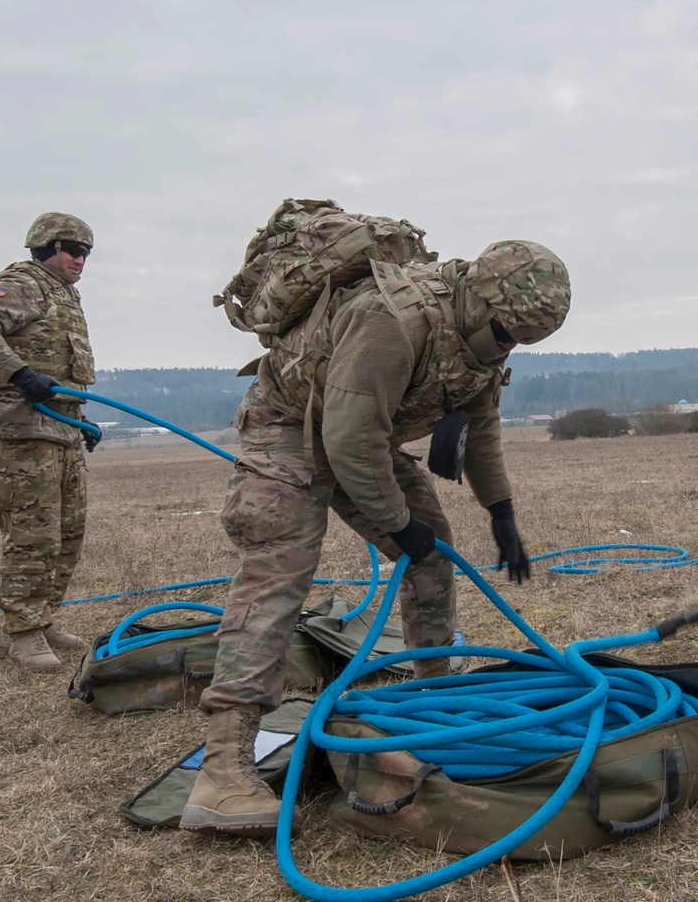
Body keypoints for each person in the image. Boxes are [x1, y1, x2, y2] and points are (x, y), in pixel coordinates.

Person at [180, 239, 571, 836]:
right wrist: (397, 525)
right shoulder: (391, 322)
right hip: (290, 432)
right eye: (504, 334)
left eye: (521, 341)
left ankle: (431, 703)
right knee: (277, 579)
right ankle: (222, 773)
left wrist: (501, 512)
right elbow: (348, 440)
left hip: (358, 439)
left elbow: (482, 421)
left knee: (434, 557)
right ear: (476, 298)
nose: (508, 347)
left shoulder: (481, 333)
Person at [0, 213, 97, 673]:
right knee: (32, 534)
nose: (80, 259)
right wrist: (20, 375)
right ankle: (23, 632)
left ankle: (43, 617)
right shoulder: (22, 283)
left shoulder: (62, 293)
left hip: (59, 428)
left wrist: (79, 420)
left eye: (86, 253)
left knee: (67, 531)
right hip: (18, 430)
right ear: (47, 246)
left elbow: (63, 367)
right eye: (73, 250)